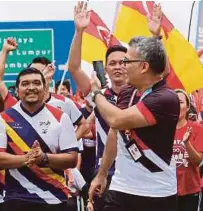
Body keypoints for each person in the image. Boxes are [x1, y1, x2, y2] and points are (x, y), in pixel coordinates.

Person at [87, 35, 179, 210]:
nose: (122, 67)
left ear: (144, 66)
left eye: (127, 62)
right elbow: (115, 131)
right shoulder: (128, 91)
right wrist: (102, 174)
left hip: (157, 193)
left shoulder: (165, 98)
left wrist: (96, 93)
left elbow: (116, 119)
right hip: (122, 188)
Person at [67, 3, 129, 210]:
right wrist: (79, 31)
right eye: (113, 63)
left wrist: (156, 38)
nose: (118, 67)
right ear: (107, 68)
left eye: (123, 62)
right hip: (106, 173)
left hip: (137, 174)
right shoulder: (99, 96)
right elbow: (74, 67)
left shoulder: (143, 95)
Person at [0, 67, 78, 211]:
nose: (31, 87)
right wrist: (26, 159)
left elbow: (72, 159)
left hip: (54, 198)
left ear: (45, 88)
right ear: (17, 90)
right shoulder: (4, 118)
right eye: (25, 84)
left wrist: (44, 158)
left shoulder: (61, 117)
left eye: (36, 83)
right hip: (17, 197)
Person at [172, 90, 203, 211]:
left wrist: (186, 143)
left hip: (190, 189)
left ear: (188, 106)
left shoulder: (197, 128)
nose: (176, 106)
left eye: (180, 102)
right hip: (167, 189)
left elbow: (198, 162)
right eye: (173, 102)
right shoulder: (163, 129)